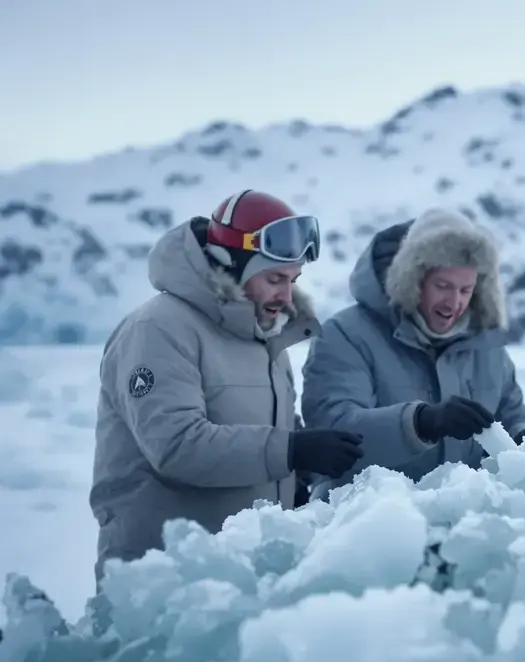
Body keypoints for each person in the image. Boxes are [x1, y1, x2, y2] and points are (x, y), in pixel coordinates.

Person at [90, 190, 364, 582]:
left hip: (243, 576)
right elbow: (177, 446)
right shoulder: (159, 329)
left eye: (293, 280)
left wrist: (301, 472)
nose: (286, 296)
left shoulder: (265, 336)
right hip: (162, 582)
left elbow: (271, 434)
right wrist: (291, 450)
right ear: (229, 266)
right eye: (274, 278)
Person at [300, 207, 525, 488]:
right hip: (361, 513)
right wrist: (420, 423)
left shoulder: (487, 347)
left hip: (466, 513)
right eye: (443, 286)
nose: (454, 303)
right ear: (413, 280)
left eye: (465, 290)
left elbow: (513, 416)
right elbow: (334, 430)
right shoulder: (346, 335)